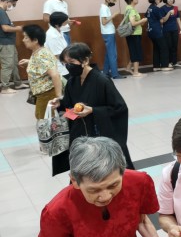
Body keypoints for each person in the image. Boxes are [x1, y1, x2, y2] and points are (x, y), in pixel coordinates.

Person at [51, 42, 134, 175]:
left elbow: (119, 108)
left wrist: (93, 111)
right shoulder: (72, 81)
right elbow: (69, 105)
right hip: (80, 137)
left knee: (103, 174)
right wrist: (59, 104)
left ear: (85, 60)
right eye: (65, 63)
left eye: (71, 62)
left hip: (99, 137)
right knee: (83, 174)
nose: (68, 66)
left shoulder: (102, 81)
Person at [19, 25, 63, 119]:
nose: (23, 40)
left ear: (35, 40)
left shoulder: (42, 55)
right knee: (42, 117)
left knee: (44, 120)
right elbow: (43, 65)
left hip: (47, 93)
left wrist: (58, 97)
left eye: (26, 37)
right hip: (42, 94)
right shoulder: (38, 51)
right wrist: (30, 62)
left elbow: (55, 75)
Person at [0, 0, 25, 94]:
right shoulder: (1, 12)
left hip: (9, 42)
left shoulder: (3, 12)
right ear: (7, 2)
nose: (13, 7)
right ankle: (5, 88)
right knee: (8, 65)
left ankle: (18, 83)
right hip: (5, 43)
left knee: (14, 63)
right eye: (13, 4)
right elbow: (5, 28)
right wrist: (19, 28)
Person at [122, 0, 146, 77]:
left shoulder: (129, 8)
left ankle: (128, 67)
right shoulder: (131, 10)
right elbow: (133, 23)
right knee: (136, 51)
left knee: (134, 51)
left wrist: (141, 22)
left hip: (133, 33)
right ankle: (136, 72)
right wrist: (142, 20)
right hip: (134, 34)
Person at [146, 0, 173, 72]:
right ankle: (164, 65)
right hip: (157, 31)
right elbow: (162, 21)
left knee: (156, 48)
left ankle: (156, 66)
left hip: (150, 31)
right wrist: (169, 13)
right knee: (164, 47)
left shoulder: (149, 8)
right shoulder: (156, 9)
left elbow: (147, 17)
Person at [99, 0, 121, 79]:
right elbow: (104, 22)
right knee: (112, 54)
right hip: (108, 33)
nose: (114, 1)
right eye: (113, 0)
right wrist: (113, 16)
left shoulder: (105, 7)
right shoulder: (104, 8)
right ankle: (115, 74)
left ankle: (105, 72)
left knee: (109, 54)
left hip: (108, 32)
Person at [45, 12, 69, 77]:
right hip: (59, 68)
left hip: (63, 63)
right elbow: (57, 55)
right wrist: (71, 62)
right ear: (57, 25)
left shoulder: (59, 32)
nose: (67, 25)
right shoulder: (52, 36)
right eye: (65, 23)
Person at [163, 0, 181, 68]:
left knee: (174, 46)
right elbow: (163, 20)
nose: (171, 0)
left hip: (174, 29)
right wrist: (169, 13)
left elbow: (178, 18)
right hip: (166, 30)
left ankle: (175, 62)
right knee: (168, 46)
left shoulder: (175, 8)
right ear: (165, 0)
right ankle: (169, 62)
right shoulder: (162, 8)